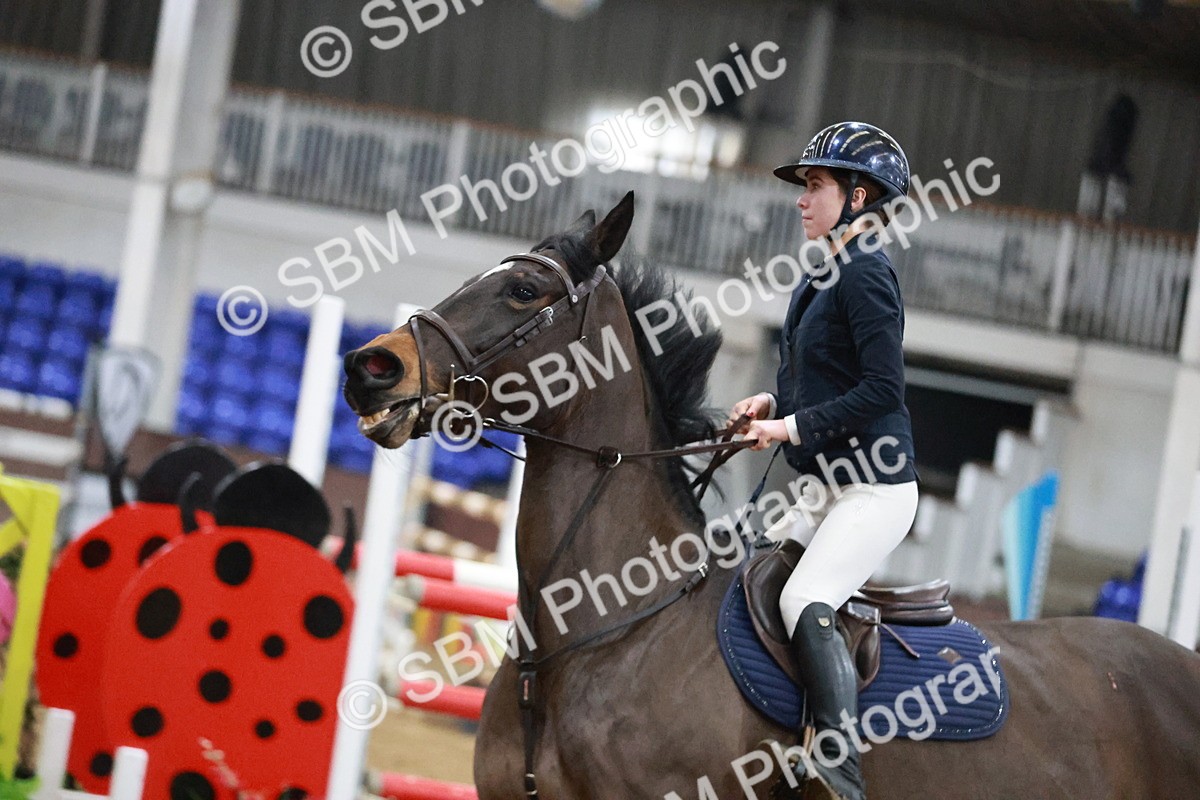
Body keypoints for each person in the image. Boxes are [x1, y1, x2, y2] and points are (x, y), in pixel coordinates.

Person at [730, 121, 920, 800]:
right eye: (804, 187)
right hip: (827, 485)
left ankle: (838, 767)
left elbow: (881, 390)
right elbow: (821, 378)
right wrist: (770, 401)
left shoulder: (867, 273)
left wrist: (787, 428)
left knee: (806, 595)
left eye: (815, 185)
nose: (802, 199)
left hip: (874, 490)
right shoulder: (824, 274)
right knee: (752, 580)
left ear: (859, 195)